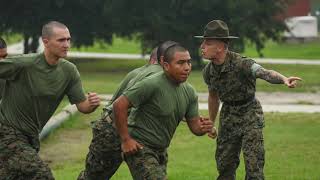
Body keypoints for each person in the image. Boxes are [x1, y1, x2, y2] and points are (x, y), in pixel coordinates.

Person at [195, 20, 302, 180]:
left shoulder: (242, 63)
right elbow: (213, 97)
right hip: (228, 116)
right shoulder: (208, 71)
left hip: (250, 115)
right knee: (224, 167)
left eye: (208, 42)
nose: (202, 46)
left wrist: (283, 79)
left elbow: (264, 72)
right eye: (203, 42)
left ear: (220, 47)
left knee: (254, 168)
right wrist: (211, 123)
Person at [0, 21, 100, 179]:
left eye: (68, 39)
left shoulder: (69, 71)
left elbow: (83, 106)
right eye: (61, 40)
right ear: (45, 42)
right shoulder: (25, 64)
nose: (66, 44)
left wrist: (92, 104)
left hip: (31, 137)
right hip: (6, 132)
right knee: (42, 175)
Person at [78, 41, 179, 180]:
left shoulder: (137, 72)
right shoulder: (157, 75)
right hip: (119, 130)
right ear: (162, 60)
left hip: (111, 127)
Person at [113, 44, 213, 179]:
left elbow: (195, 127)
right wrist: (126, 140)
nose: (187, 67)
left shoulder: (190, 92)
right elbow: (119, 105)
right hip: (141, 147)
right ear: (166, 66)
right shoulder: (152, 84)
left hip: (161, 150)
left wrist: (204, 128)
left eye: (189, 62)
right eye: (181, 63)